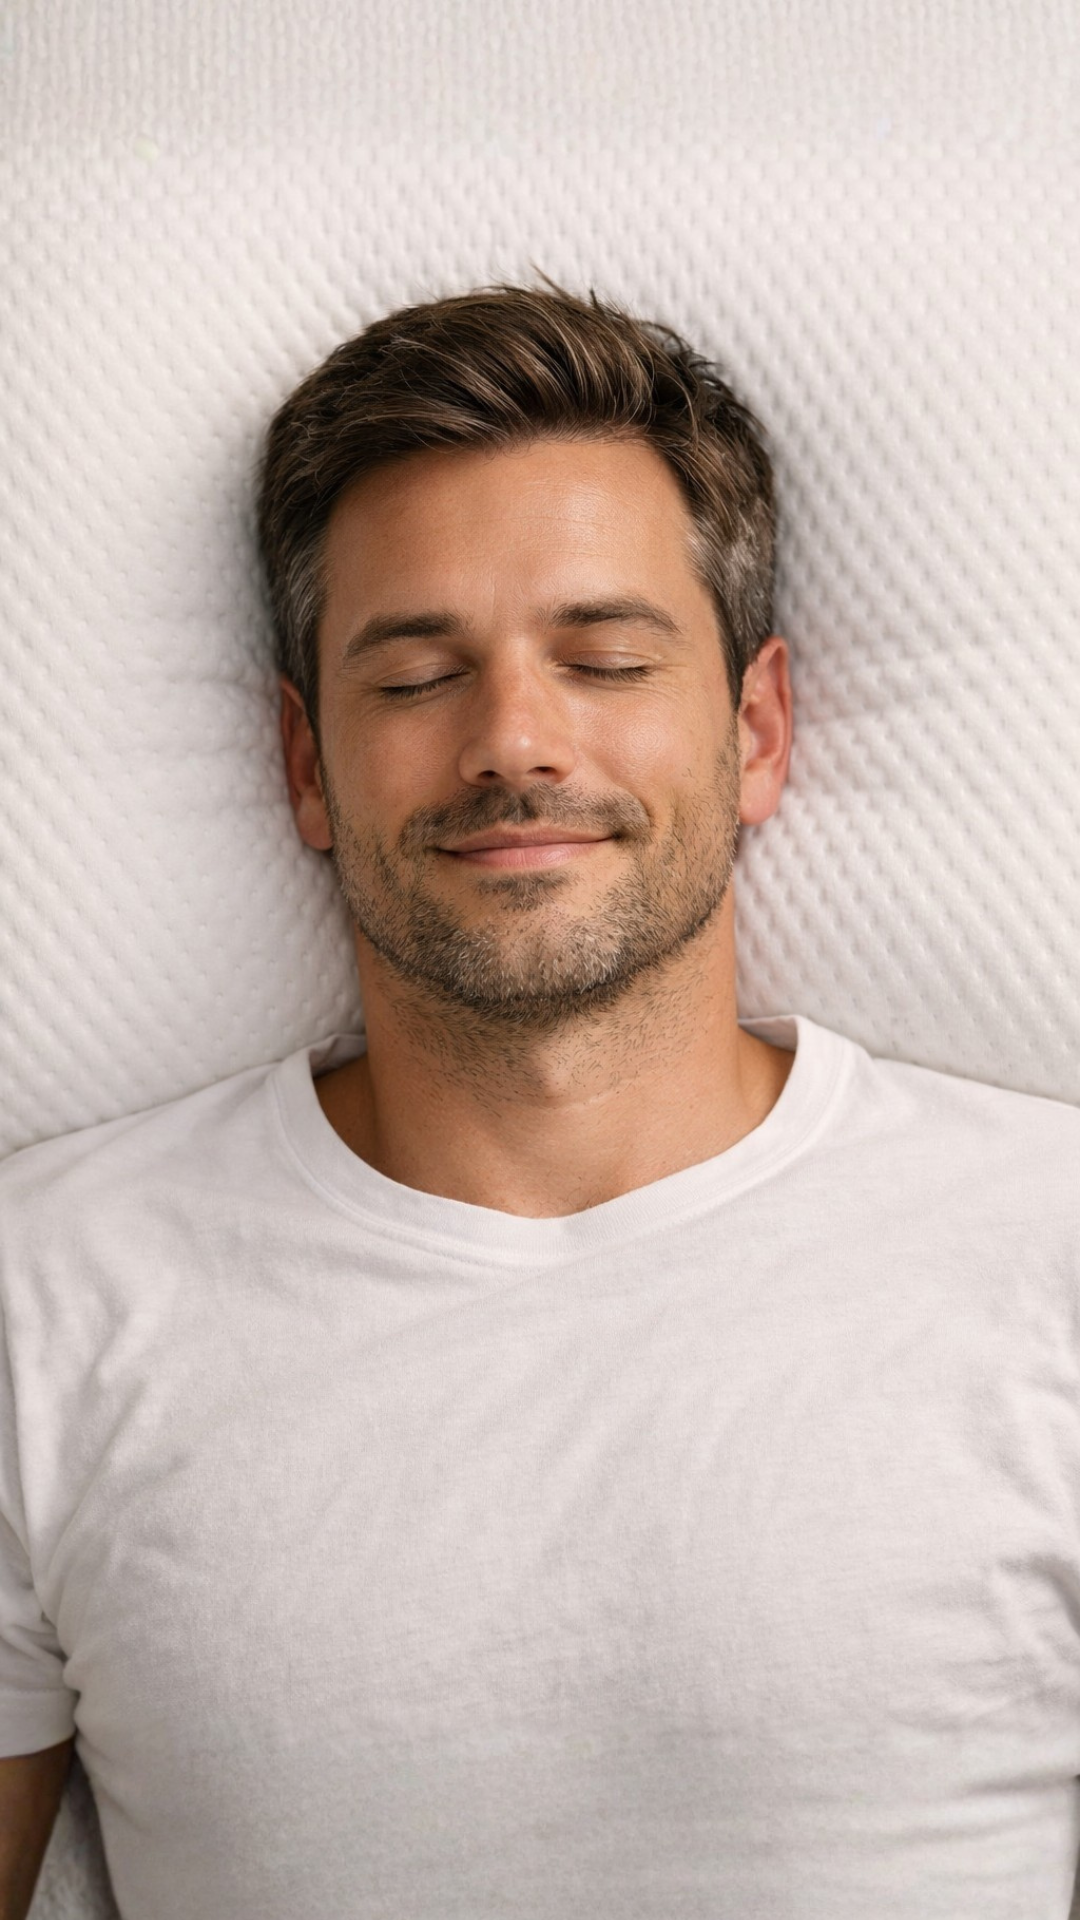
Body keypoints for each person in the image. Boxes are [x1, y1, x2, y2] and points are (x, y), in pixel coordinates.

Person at [1, 283, 1077, 1920]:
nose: (514, 741)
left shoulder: (1045, 1255)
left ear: (758, 727)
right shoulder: (45, 1296)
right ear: (306, 765)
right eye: (418, 675)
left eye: (606, 657)